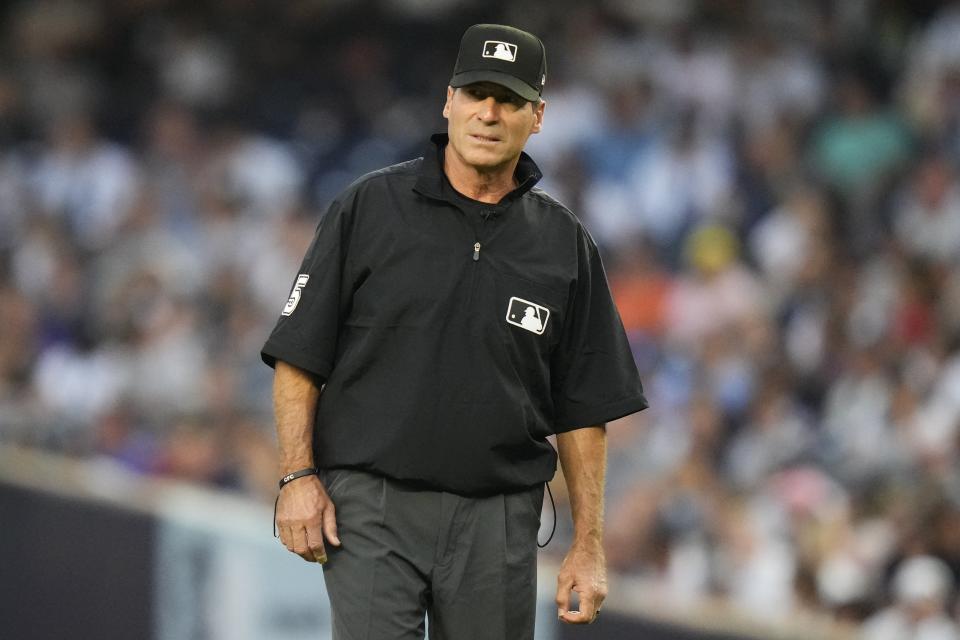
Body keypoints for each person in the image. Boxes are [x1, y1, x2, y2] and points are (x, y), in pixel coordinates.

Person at [262, 23, 648, 640]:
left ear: (538, 116)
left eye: (509, 100)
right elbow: (299, 355)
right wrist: (296, 478)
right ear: (449, 102)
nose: (489, 114)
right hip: (371, 504)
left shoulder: (563, 245)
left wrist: (588, 545)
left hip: (497, 519)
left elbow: (584, 408)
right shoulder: (369, 208)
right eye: (476, 94)